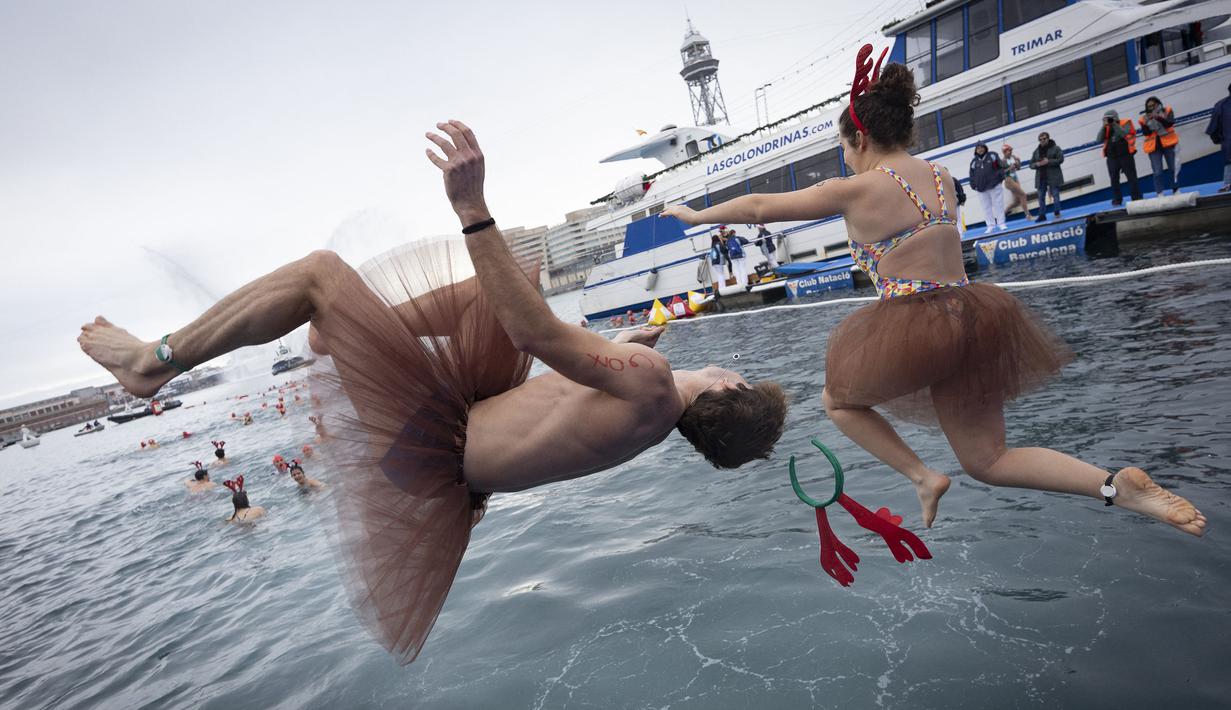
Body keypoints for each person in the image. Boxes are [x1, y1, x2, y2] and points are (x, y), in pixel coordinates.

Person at [77, 119, 787, 664]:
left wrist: (472, 208)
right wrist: (623, 348)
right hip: (449, 452)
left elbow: (537, 336)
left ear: (729, 386)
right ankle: (335, 332)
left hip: (430, 440)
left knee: (321, 274)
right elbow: (565, 400)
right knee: (507, 287)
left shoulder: (654, 388)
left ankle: (154, 362)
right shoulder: (650, 412)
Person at [661, 59, 1203, 538]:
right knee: (989, 459)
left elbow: (759, 207)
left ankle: (923, 475)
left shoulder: (860, 187)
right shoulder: (941, 176)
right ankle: (1114, 486)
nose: (845, 159)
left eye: (843, 148)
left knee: (838, 401)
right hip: (975, 315)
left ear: (860, 140)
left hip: (917, 320)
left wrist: (696, 216)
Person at [1098, 109, 1143, 205]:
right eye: (1106, 119)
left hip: (1125, 155)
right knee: (1114, 179)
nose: (1108, 121)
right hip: (1112, 157)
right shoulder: (1106, 127)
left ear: (1115, 118)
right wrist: (1103, 126)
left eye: (1110, 118)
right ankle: (1117, 199)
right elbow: (1098, 139)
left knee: (1131, 177)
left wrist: (1114, 124)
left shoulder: (1126, 123)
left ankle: (1136, 197)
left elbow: (1123, 134)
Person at [1139, 96, 1180, 195]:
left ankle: (1176, 189)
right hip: (1154, 147)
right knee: (1157, 171)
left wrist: (1158, 117)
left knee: (1173, 168)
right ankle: (1160, 192)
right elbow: (1146, 133)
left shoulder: (1167, 111)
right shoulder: (1143, 118)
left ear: (1158, 104)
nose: (1151, 107)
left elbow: (1169, 124)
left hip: (1168, 144)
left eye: (1153, 105)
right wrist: (1147, 122)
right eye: (1149, 106)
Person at [968, 142, 1006, 232]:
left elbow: (1000, 167)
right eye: (978, 148)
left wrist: (1000, 179)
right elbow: (971, 175)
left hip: (994, 185)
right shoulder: (974, 162)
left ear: (985, 148)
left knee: (998, 205)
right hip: (981, 188)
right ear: (976, 150)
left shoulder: (992, 156)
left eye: (982, 147)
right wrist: (974, 185)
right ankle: (990, 225)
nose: (980, 149)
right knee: (986, 207)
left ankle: (1001, 223)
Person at [1030, 132, 1065, 220]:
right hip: (1041, 177)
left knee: (1055, 194)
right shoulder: (1036, 151)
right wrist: (1037, 164)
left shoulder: (1056, 148)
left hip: (1053, 176)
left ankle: (1057, 212)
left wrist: (1048, 161)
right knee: (1041, 197)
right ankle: (1042, 215)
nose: (1042, 141)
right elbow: (1031, 164)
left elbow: (1061, 159)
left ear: (1048, 139)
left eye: (1044, 139)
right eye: (1040, 139)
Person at [1206, 82, 1231, 192]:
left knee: (1229, 163)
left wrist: (1219, 140)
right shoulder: (1221, 105)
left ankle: (1227, 183)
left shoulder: (1220, 105)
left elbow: (1213, 128)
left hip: (1228, 143)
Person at [1000, 144, 1033, 220]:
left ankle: (1003, 213)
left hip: (1015, 178)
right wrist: (1009, 168)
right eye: (1008, 151)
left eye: (1011, 150)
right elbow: (1001, 173)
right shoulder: (1003, 161)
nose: (1010, 152)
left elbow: (1018, 168)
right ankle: (1028, 215)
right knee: (1023, 195)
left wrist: (1019, 162)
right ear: (1004, 152)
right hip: (1008, 180)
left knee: (1017, 201)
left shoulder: (1013, 157)